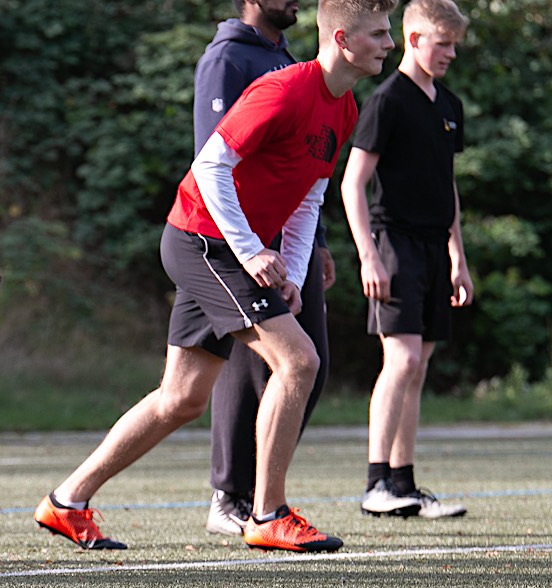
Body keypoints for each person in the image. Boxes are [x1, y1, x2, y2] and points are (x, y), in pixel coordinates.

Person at [34, 0, 397, 553]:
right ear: (343, 38)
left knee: (180, 398)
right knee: (298, 362)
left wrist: (291, 275)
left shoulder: (343, 106)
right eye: (378, 33)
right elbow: (210, 166)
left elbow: (308, 197)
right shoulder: (282, 89)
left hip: (224, 247)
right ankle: (266, 513)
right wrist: (251, 253)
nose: (388, 43)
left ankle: (66, 501)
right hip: (203, 241)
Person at [193, 0, 337, 536]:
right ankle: (232, 497)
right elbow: (213, 158)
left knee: (308, 367)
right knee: (256, 365)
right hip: (240, 240)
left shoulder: (290, 60)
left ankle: (261, 496)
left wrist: (316, 243)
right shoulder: (227, 59)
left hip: (291, 239)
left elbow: (305, 169)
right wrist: (246, 245)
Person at [340, 0, 471, 519]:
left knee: (419, 366)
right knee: (403, 359)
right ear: (414, 39)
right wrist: (368, 255)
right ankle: (376, 484)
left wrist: (457, 253)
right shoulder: (387, 100)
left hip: (434, 247)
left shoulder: (449, 105)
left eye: (455, 44)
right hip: (394, 243)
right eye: (443, 44)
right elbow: (353, 184)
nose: (451, 54)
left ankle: (404, 484)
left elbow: (448, 187)